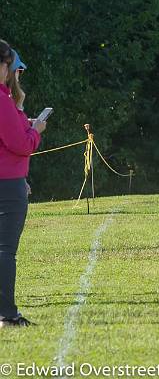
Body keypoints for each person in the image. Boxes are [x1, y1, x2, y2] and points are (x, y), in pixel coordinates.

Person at [0, 41, 46, 328]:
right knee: (5, 251)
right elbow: (20, 144)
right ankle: (7, 314)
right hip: (6, 185)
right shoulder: (1, 99)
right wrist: (36, 131)